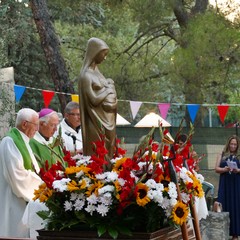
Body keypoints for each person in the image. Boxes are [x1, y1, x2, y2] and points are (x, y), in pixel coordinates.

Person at [0, 108, 42, 237]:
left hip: (22, 198)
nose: (37, 129)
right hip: (13, 197)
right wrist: (41, 184)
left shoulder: (24, 141)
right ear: (25, 124)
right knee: (14, 231)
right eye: (36, 125)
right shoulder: (9, 141)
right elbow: (17, 175)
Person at [78, 37, 117, 160]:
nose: (105, 58)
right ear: (95, 53)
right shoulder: (86, 76)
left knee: (109, 150)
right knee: (98, 152)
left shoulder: (98, 73)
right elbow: (93, 99)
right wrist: (108, 91)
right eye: (103, 54)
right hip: (95, 120)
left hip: (108, 118)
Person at [215, 135, 240, 240]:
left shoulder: (239, 155)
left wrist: (238, 170)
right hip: (225, 184)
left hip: (236, 184)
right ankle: (222, 231)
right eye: (231, 143)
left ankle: (235, 233)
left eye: (235, 144)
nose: (233, 146)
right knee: (222, 204)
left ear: (237, 145)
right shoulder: (222, 153)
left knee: (235, 206)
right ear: (228, 143)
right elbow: (216, 168)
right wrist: (225, 169)